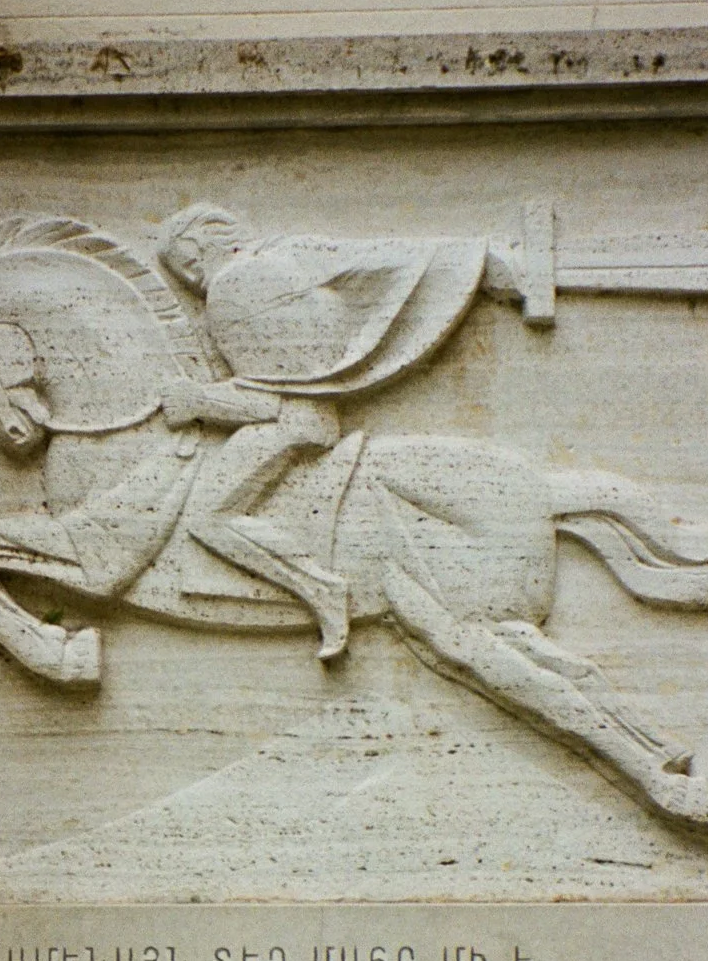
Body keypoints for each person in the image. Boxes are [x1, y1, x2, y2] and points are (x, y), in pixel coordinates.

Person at [154, 205, 487, 659]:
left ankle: (321, 590)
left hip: (293, 426)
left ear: (204, 246)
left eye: (189, 264)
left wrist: (200, 402)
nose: (192, 279)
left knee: (208, 516)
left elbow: (276, 399)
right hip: (301, 417)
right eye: (183, 273)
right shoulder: (289, 258)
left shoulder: (235, 289)